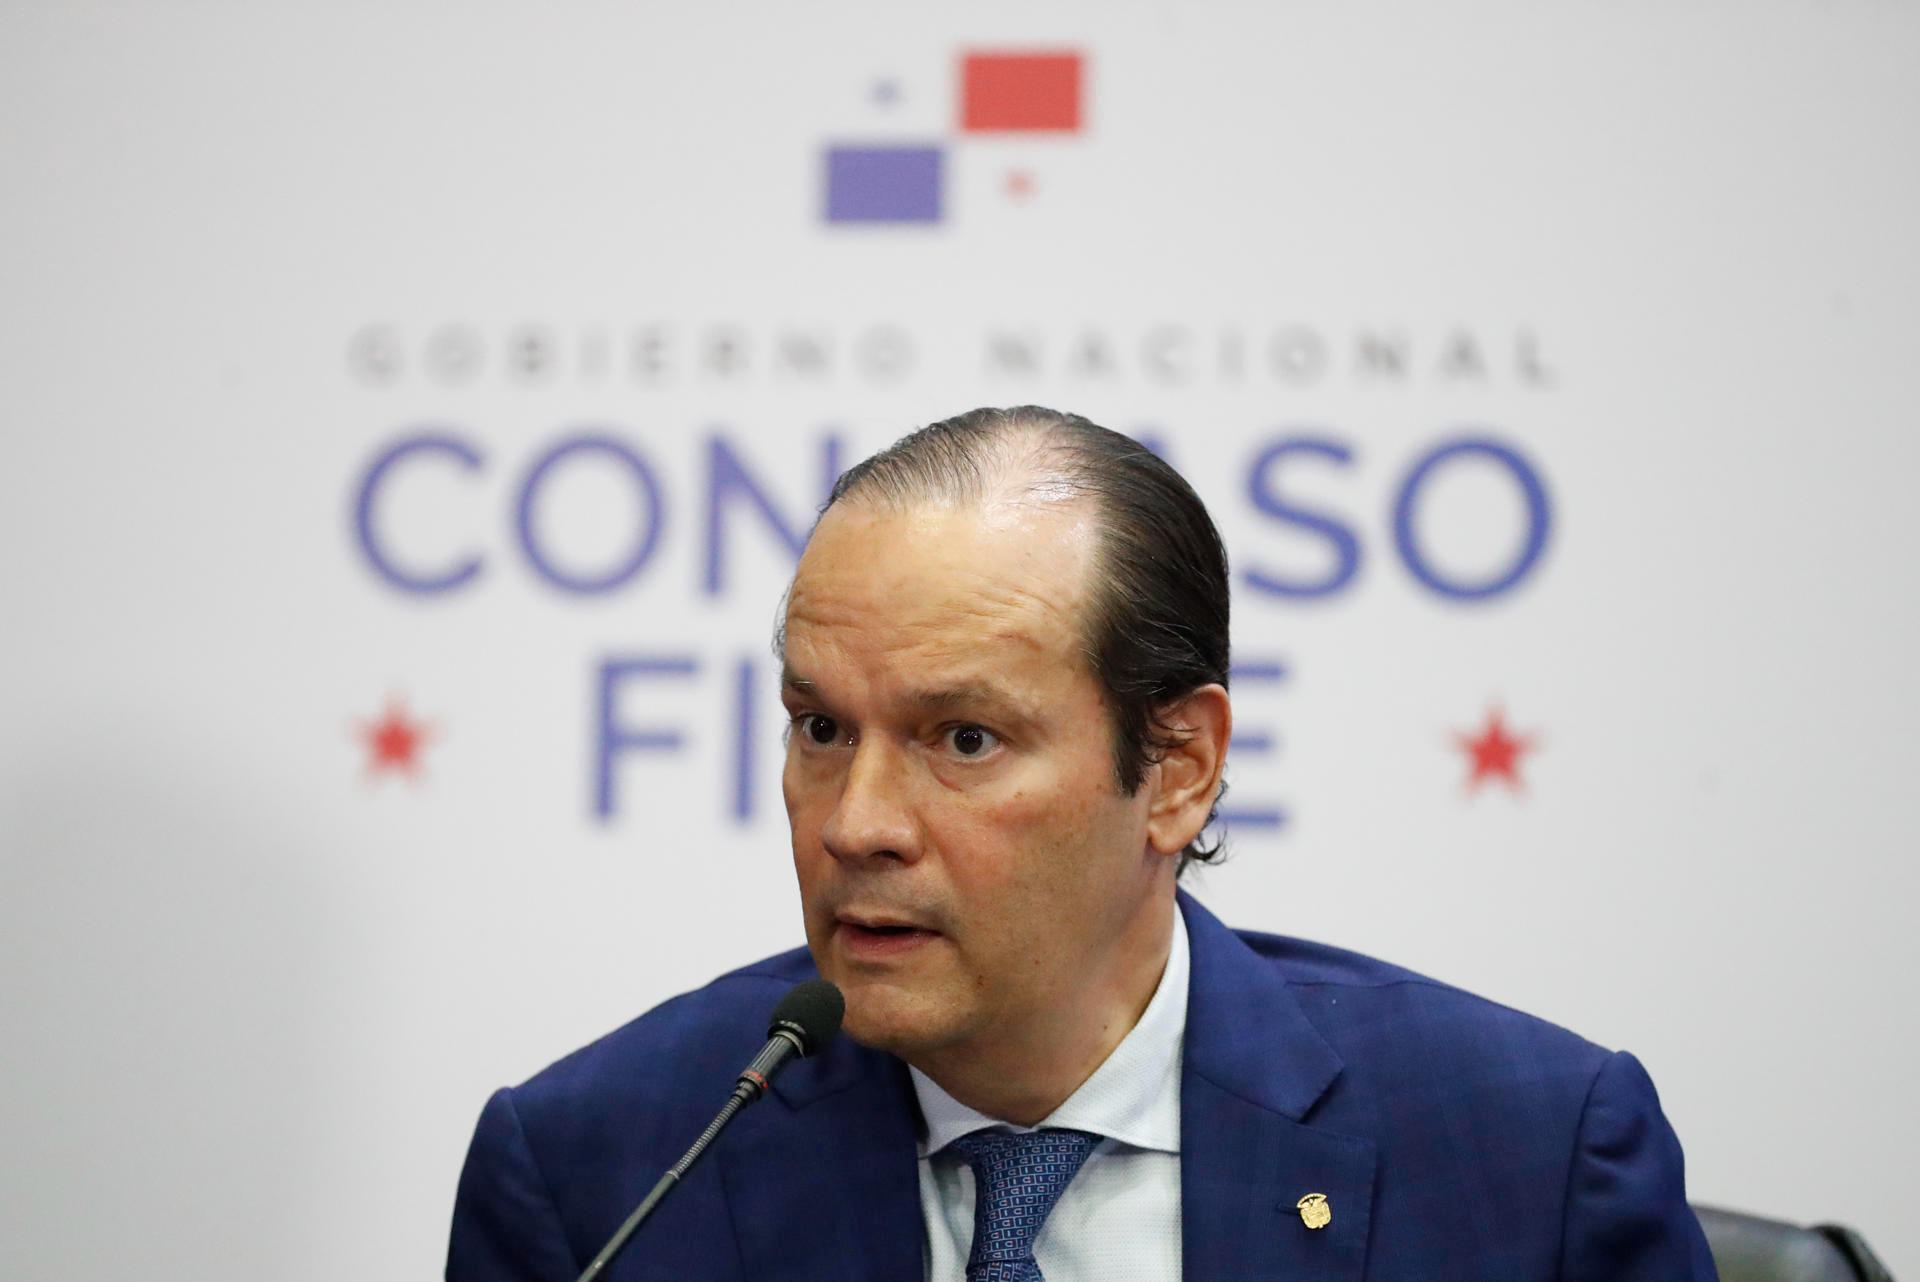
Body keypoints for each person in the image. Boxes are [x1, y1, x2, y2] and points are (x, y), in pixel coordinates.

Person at [448, 406, 1716, 1281]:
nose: (856, 823)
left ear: (1177, 769)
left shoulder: (1527, 1156)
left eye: (965, 738)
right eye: (821, 726)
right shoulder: (600, 1175)